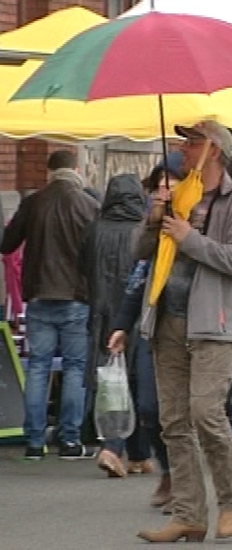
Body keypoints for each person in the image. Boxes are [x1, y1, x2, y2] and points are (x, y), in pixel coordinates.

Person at [134, 120, 232, 543]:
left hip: (214, 323)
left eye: (192, 143)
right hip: (168, 318)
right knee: (173, 422)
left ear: (214, 151)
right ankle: (189, 513)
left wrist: (189, 238)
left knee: (206, 413)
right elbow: (138, 252)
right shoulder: (177, 194)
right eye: (184, 141)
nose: (183, 149)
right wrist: (154, 218)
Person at [0, 149, 99, 460]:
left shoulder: (33, 202)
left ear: (49, 171)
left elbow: (7, 244)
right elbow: (97, 254)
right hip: (76, 297)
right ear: (77, 169)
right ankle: (69, 440)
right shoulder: (89, 205)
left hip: (40, 297)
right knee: (74, 369)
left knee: (39, 369)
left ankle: (33, 442)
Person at [105, 154, 186, 510]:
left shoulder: (201, 221)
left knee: (189, 414)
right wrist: (122, 325)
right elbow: (136, 280)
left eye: (171, 182)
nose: (163, 190)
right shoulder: (150, 227)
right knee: (151, 408)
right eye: (158, 184)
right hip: (154, 326)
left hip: (194, 328)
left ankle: (187, 485)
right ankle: (168, 470)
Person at [79, 173, 147, 478]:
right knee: (132, 382)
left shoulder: (94, 230)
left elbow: (82, 267)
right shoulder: (141, 231)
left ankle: (137, 453)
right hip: (133, 315)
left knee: (112, 380)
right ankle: (114, 448)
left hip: (100, 311)